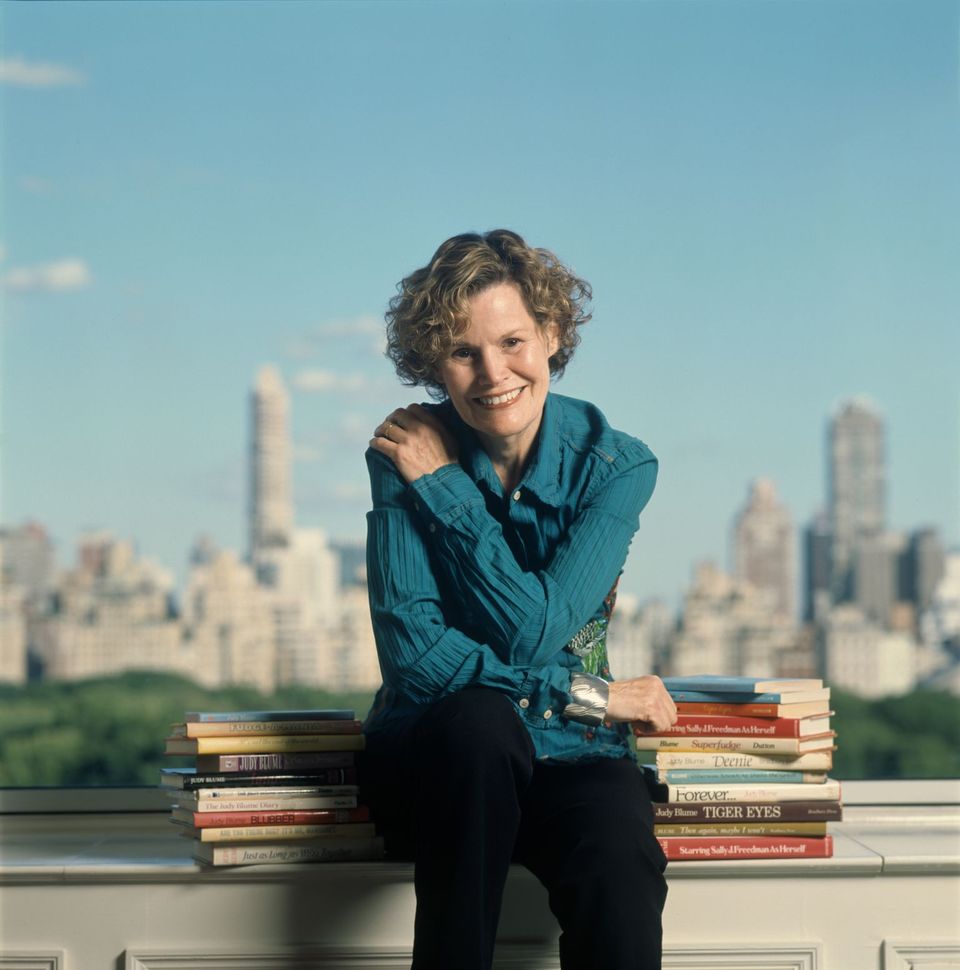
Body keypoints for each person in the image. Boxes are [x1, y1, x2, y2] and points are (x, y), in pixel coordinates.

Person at [360, 229, 678, 970]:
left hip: (572, 754)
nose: (492, 373)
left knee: (620, 861)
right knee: (477, 725)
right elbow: (416, 661)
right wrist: (593, 694)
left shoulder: (617, 465)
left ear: (553, 334)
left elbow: (538, 627)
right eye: (463, 352)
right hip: (441, 765)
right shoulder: (403, 452)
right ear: (432, 362)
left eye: (512, 342)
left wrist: (443, 491)